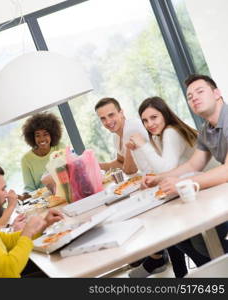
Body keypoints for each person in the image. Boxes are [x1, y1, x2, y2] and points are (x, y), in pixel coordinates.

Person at [143, 74, 228, 264]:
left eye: (200, 92)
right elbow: (193, 165)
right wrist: (159, 179)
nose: (194, 98)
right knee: (190, 236)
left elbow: (226, 171)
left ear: (217, 93)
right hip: (220, 193)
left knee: (203, 236)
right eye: (189, 97)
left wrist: (181, 183)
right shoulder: (207, 128)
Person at [127, 96, 198, 278]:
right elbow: (152, 169)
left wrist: (143, 144)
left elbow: (166, 168)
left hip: (205, 190)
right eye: (145, 120)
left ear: (164, 115)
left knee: (172, 231)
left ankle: (201, 269)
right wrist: (137, 150)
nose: (149, 124)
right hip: (191, 189)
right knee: (170, 230)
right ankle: (184, 273)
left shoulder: (171, 132)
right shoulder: (160, 136)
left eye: (154, 117)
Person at [94, 97, 151, 174]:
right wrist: (95, 165)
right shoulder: (116, 136)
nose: (108, 121)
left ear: (121, 113)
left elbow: (131, 170)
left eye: (111, 115)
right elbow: (120, 162)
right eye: (103, 118)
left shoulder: (131, 129)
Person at [21, 112, 65, 194]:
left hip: (65, 190)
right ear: (32, 138)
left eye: (45, 134)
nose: (42, 139)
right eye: (38, 135)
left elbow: (70, 170)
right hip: (44, 200)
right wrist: (24, 195)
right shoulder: (26, 159)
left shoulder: (60, 147)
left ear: (52, 135)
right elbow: (29, 188)